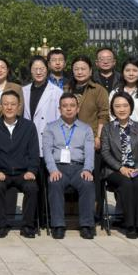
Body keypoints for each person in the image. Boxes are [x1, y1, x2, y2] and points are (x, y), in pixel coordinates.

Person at [0, 90, 39, 238]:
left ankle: (28, 226)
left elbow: (34, 153)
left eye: (13, 104)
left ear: (19, 106)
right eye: (6, 104)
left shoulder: (29, 126)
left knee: (32, 187)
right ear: (0, 106)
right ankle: (1, 225)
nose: (9, 107)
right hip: (1, 172)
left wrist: (32, 170)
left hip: (23, 173)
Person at [43, 93, 98, 239]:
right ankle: (58, 225)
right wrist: (53, 170)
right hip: (58, 168)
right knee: (55, 183)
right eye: (65, 106)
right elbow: (47, 151)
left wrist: (87, 169)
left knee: (87, 183)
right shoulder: (50, 128)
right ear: (59, 109)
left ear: (78, 108)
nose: (68, 109)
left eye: (72, 106)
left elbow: (89, 152)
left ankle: (86, 225)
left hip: (79, 168)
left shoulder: (86, 129)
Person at [100, 93, 138, 239]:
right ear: (112, 109)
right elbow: (105, 152)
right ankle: (130, 225)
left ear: (131, 107)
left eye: (125, 106)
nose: (121, 109)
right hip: (115, 170)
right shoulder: (108, 128)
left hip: (137, 169)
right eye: (117, 106)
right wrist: (121, 168)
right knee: (127, 183)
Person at [68, 55, 110, 139]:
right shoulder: (67, 89)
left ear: (90, 71)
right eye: (76, 69)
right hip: (69, 137)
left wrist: (98, 137)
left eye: (83, 69)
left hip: (90, 137)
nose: (79, 72)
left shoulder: (98, 90)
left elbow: (103, 116)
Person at [114, 59, 138, 128]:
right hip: (118, 132)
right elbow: (112, 116)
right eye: (127, 70)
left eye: (135, 71)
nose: (131, 74)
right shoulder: (115, 92)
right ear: (123, 73)